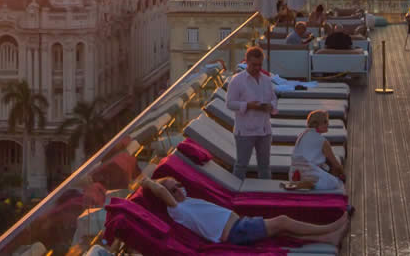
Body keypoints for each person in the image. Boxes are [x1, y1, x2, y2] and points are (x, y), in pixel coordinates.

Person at [140, 177, 350, 246]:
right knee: (283, 221)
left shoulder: (187, 200)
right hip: (236, 232)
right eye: (172, 190)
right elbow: (159, 190)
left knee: (282, 231)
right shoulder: (177, 210)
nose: (177, 190)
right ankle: (330, 228)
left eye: (178, 185)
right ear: (166, 196)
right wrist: (146, 181)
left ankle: (328, 238)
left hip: (240, 225)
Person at [226, 47, 277, 180]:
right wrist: (248, 106)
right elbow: (230, 103)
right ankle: (235, 194)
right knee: (241, 165)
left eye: (260, 64)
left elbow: (273, 98)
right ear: (247, 62)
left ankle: (266, 194)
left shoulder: (266, 80)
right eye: (254, 64)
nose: (257, 68)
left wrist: (270, 106)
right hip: (245, 131)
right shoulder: (237, 81)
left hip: (264, 130)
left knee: (265, 166)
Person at [290, 110, 345, 191]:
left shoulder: (302, 135)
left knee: (324, 171)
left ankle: (303, 183)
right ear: (316, 124)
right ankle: (310, 184)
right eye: (325, 122)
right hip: (309, 172)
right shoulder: (322, 141)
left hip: (293, 171)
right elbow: (335, 164)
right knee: (336, 183)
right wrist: (342, 173)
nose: (328, 124)